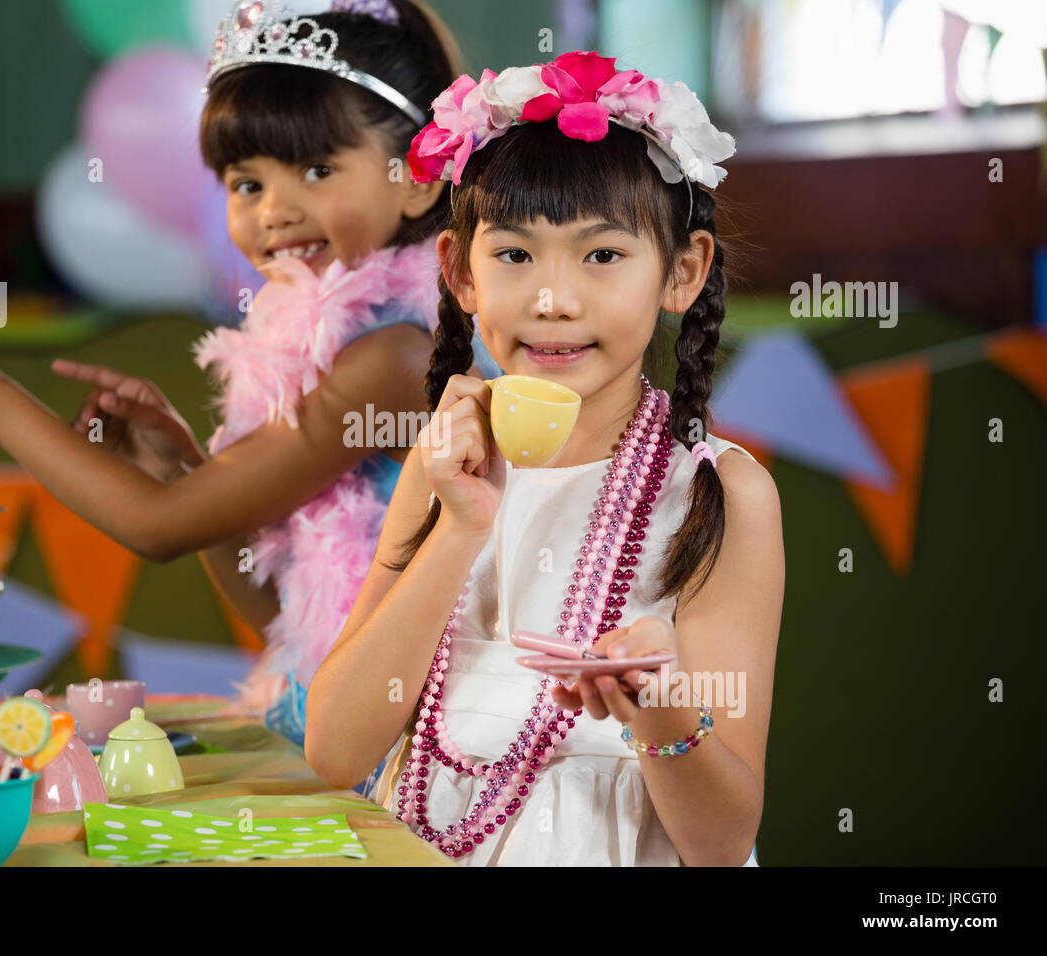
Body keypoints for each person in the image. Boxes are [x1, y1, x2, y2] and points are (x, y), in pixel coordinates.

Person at [0, 0, 478, 756]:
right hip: (348, 728)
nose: (275, 210)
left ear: (419, 182)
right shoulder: (333, 344)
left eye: (318, 168)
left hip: (427, 751)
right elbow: (278, 603)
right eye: (245, 183)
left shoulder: (397, 357)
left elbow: (160, 530)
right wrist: (187, 476)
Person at [305, 51, 783, 865]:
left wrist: (659, 712)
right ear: (460, 273)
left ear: (683, 272)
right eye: (515, 255)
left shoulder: (717, 491)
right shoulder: (444, 465)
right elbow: (335, 752)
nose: (553, 298)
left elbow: (722, 841)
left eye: (602, 256)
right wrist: (459, 527)